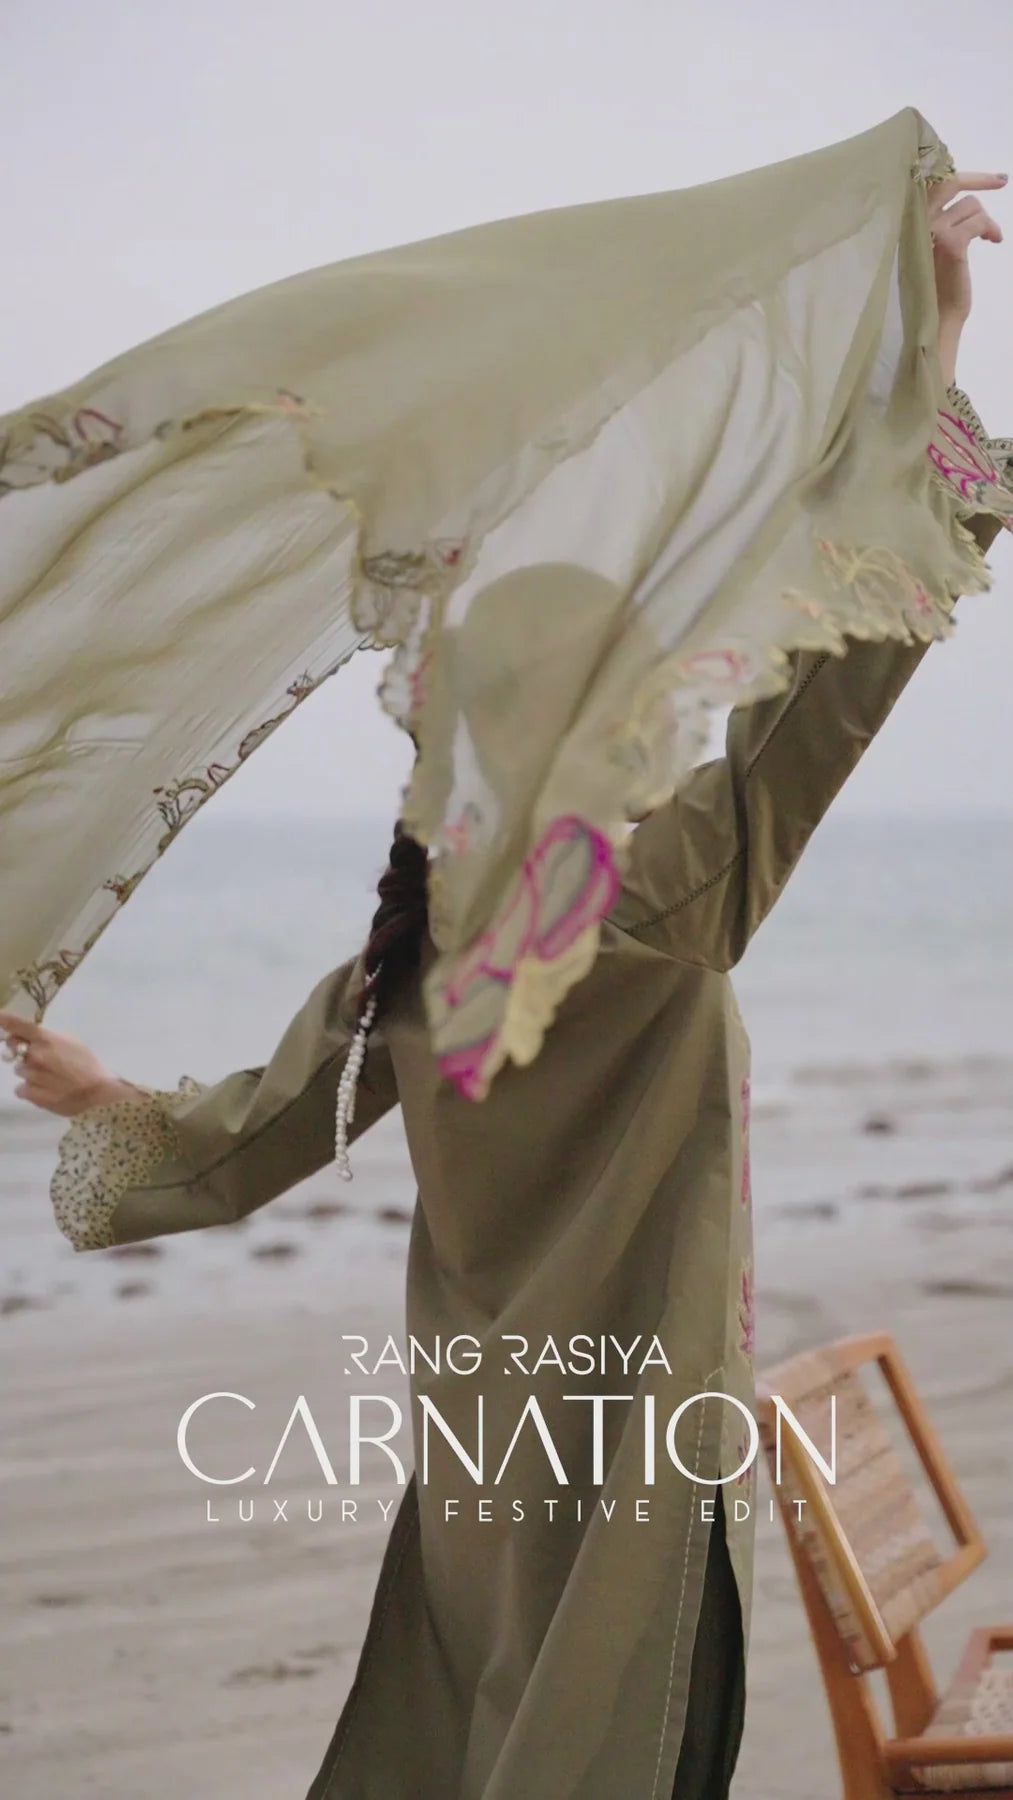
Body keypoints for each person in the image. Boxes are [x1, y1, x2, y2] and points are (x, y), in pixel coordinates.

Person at [1, 171, 1009, 1800]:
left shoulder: (409, 953)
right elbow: (844, 659)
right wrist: (931, 355)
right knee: (602, 1741)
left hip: (486, 1435)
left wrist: (103, 1094)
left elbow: (248, 1143)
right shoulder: (660, 896)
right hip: (630, 1434)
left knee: (476, 1720)